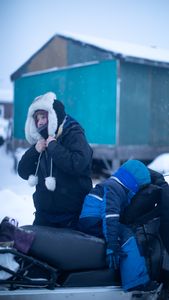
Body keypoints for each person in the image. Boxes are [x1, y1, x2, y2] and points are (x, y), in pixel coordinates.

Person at [78, 159, 159, 292]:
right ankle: (136, 282)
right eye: (140, 187)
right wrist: (112, 243)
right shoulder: (114, 188)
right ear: (133, 183)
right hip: (94, 220)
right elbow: (110, 215)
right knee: (127, 236)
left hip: (90, 219)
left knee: (124, 230)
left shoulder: (113, 185)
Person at [18, 91, 93, 228]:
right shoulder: (43, 139)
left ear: (53, 116)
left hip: (71, 217)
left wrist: (54, 147)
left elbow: (77, 164)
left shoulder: (73, 133)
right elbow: (23, 172)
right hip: (43, 216)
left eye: (43, 117)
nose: (40, 122)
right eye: (37, 119)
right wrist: (34, 150)